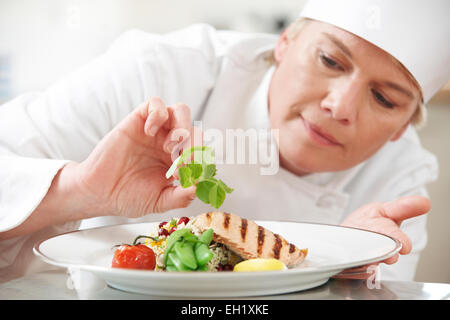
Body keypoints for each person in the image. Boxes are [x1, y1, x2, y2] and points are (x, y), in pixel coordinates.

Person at [0, 0, 448, 283]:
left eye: (384, 98)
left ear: (403, 127)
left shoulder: (399, 181)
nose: (341, 105)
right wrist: (81, 190)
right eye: (330, 60)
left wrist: (349, 272)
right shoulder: (156, 71)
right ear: (285, 43)